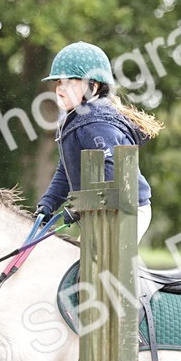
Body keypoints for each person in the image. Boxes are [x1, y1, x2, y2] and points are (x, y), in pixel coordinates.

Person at [35, 42, 162, 241]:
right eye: (59, 82)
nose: (60, 88)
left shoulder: (96, 123)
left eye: (70, 83)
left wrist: (80, 206)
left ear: (93, 87)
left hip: (128, 210)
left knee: (99, 259)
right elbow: (66, 169)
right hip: (101, 210)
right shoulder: (75, 119)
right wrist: (48, 204)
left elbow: (111, 173)